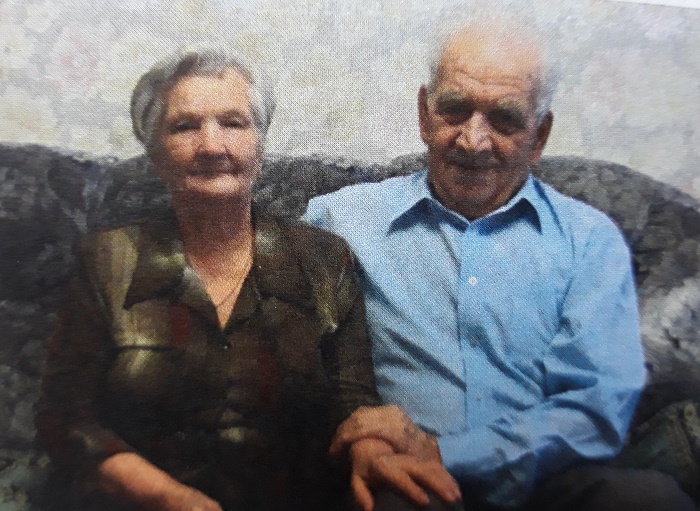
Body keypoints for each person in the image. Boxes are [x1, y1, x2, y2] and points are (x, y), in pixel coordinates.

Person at [35, 49, 460, 511]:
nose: (211, 145)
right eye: (185, 126)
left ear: (259, 146)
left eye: (233, 123)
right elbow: (65, 417)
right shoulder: (108, 260)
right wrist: (170, 498)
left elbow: (351, 400)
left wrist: (371, 452)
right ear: (155, 156)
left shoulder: (323, 258)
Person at [304, 20, 696, 511]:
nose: (473, 140)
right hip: (408, 482)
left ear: (539, 135)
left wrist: (448, 452)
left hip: (549, 485)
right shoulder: (339, 220)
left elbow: (597, 408)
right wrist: (363, 437)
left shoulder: (589, 241)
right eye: (454, 109)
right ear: (424, 114)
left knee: (649, 499)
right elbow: (294, 361)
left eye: (505, 118)